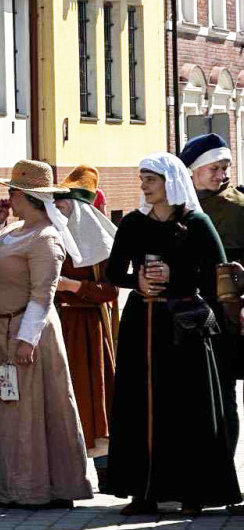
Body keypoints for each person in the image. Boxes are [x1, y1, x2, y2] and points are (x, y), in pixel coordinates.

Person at [104, 153, 241, 515]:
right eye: (142, 179)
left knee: (188, 407)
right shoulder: (133, 223)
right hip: (143, 323)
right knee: (140, 405)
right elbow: (114, 272)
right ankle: (142, 491)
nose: (144, 186)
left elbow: (219, 272)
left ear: (170, 182)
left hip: (187, 324)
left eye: (151, 179)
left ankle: (193, 492)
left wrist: (178, 281)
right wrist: (139, 281)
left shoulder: (197, 223)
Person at [0, 160, 92, 508]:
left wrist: (27, 338)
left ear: (27, 196)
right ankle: (5, 486)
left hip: (25, 331)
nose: (8, 197)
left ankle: (40, 487)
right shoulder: (11, 232)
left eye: (12, 192)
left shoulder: (46, 237)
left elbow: (44, 292)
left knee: (29, 411)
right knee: (5, 411)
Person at [178, 133, 242, 460]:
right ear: (193, 171)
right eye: (214, 168)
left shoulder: (239, 208)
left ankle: (225, 472)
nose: (222, 174)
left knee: (225, 391)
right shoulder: (177, 207)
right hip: (182, 312)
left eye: (225, 167)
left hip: (225, 314)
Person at [52, 166, 118, 470]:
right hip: (53, 324)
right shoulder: (50, 235)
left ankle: (104, 470)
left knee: (92, 396)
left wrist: (73, 286)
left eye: (64, 204)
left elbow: (111, 290)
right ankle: (65, 470)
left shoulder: (99, 244)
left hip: (87, 328)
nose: (58, 209)